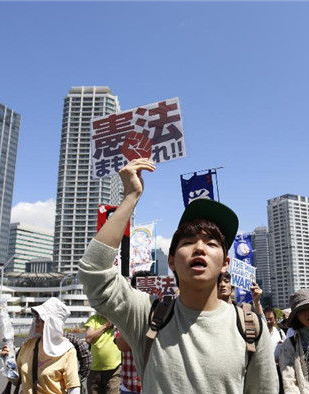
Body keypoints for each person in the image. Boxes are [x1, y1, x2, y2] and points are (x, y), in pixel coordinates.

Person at [78, 158, 278, 393]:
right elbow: (94, 272)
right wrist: (130, 197)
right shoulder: (146, 316)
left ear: (225, 263)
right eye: (189, 242)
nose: (200, 248)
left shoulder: (250, 326)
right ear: (172, 260)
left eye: (212, 243)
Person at [2, 297, 81, 394]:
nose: (36, 320)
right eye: (36, 316)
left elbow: (73, 388)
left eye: (41, 317)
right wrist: (7, 360)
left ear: (53, 324)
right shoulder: (28, 345)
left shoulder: (67, 351)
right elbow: (15, 380)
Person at [84, 314, 121, 394]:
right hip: (94, 370)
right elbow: (89, 339)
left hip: (114, 370)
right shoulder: (94, 319)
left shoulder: (117, 319)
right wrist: (105, 326)